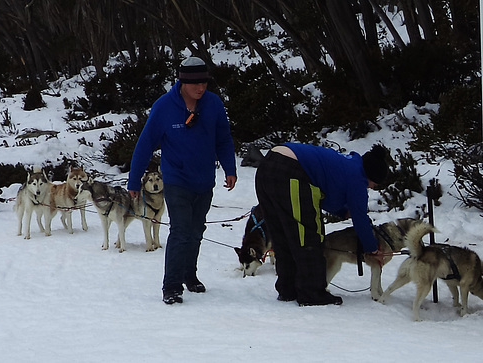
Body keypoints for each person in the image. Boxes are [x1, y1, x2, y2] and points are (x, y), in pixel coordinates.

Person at [127, 56, 237, 305]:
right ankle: (172, 285)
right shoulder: (164, 107)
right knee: (180, 231)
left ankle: (190, 274)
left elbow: (223, 138)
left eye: (205, 83)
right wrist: (134, 180)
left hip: (204, 179)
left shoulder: (213, 104)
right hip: (176, 180)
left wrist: (229, 168)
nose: (201, 88)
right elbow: (144, 145)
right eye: (196, 84)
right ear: (183, 82)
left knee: (197, 230)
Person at [254, 143, 390, 306]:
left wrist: (342, 211)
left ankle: (288, 289)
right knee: (309, 236)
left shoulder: (348, 164)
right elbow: (360, 219)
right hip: (292, 171)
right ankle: (312, 293)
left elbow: (323, 193)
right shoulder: (357, 177)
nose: (371, 187)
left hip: (267, 167)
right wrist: (373, 248)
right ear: (370, 175)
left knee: (282, 232)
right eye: (373, 184)